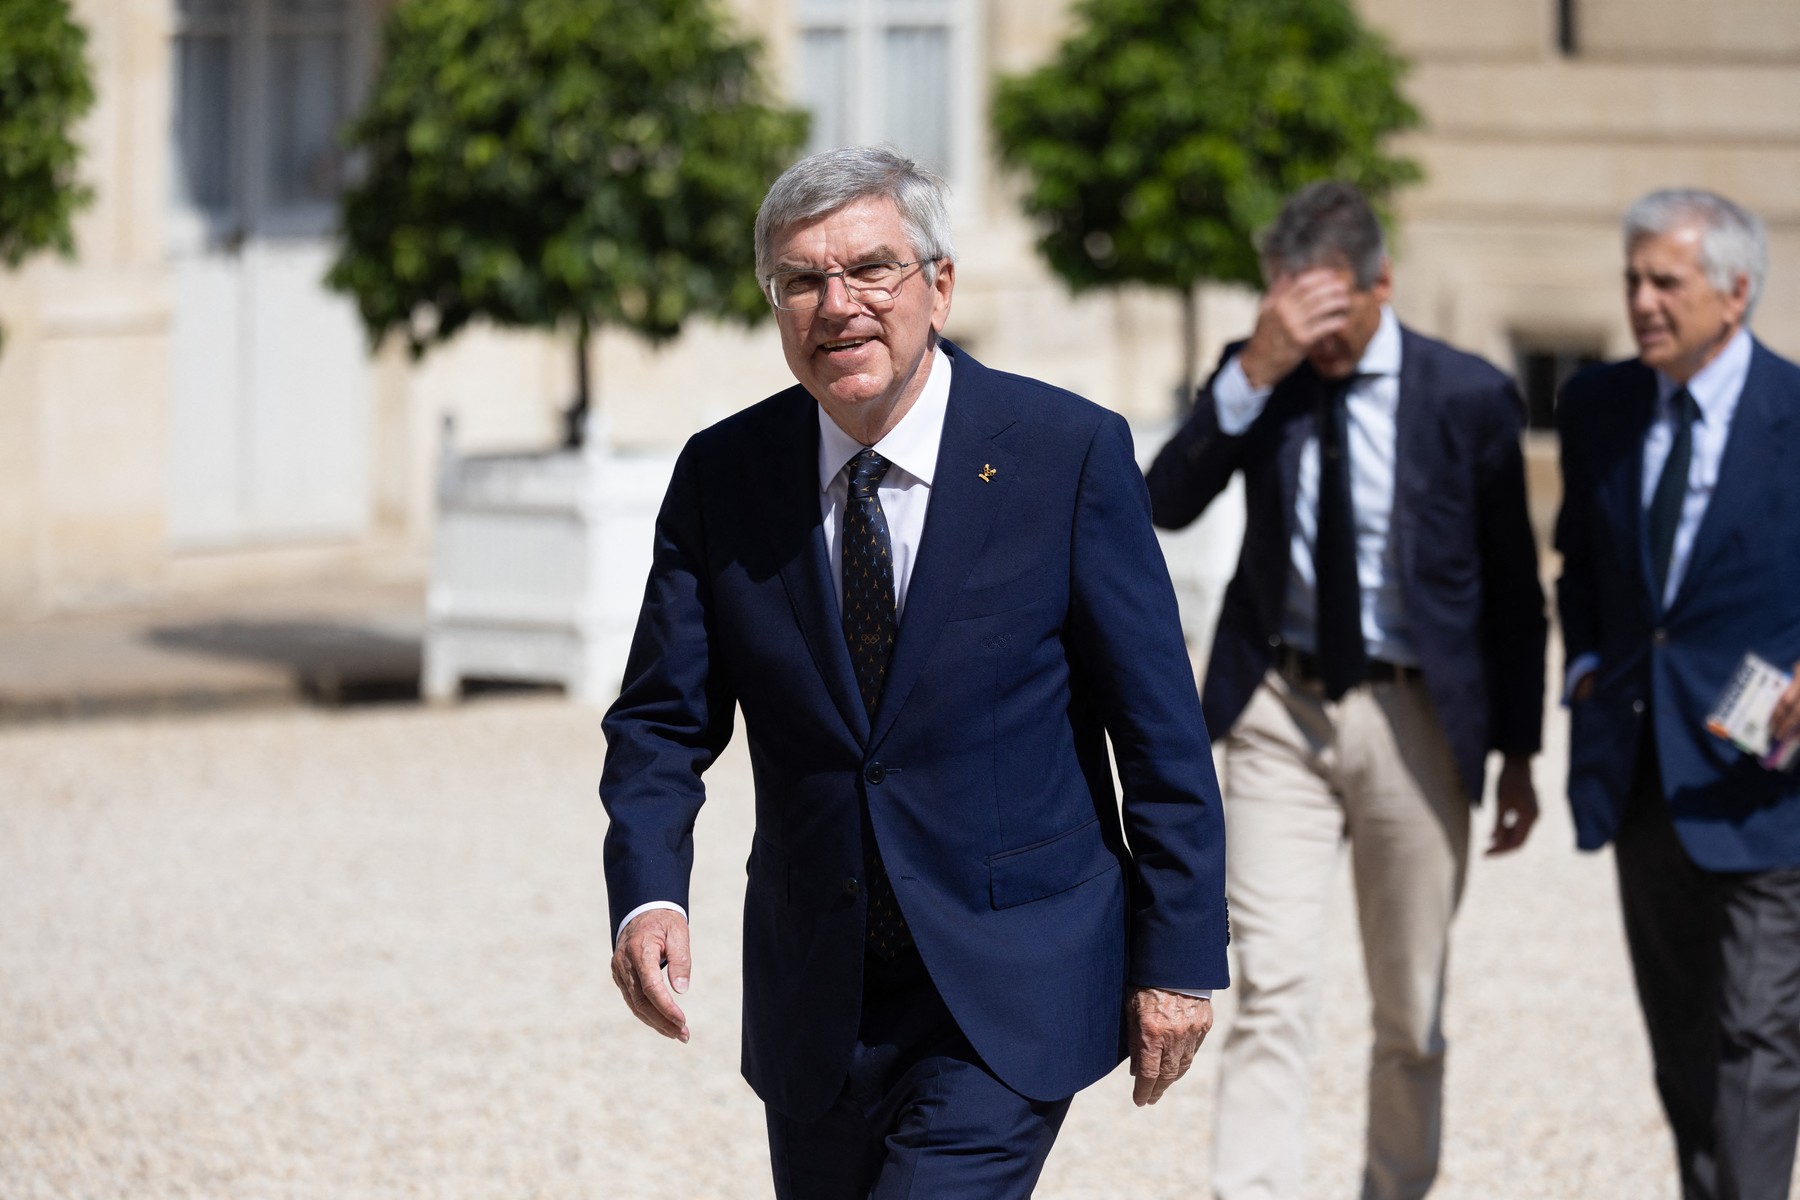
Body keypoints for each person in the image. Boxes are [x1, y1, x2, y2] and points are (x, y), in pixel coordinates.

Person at [600, 146, 1229, 1200]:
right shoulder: (725, 476)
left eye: (870, 270)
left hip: (1008, 981)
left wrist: (1177, 955)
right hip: (819, 995)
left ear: (939, 284)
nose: (837, 304)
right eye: (801, 280)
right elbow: (663, 721)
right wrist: (647, 895)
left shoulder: (1063, 455)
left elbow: (1157, 725)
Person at [1145, 180, 1547, 1200]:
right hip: (1281, 707)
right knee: (1271, 987)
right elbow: (1166, 498)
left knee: (1410, 1009)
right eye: (1295, 309)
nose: (1319, 335)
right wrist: (1259, 364)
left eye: (1335, 310)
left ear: (1383, 285)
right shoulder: (1263, 372)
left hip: (1416, 714)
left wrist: (1519, 754)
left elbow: (1514, 588)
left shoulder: (1468, 396)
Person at [1556, 188, 1800, 1200]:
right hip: (1640, 765)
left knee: (1759, 1032)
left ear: (1734, 293)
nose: (1643, 301)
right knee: (1682, 1036)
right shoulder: (1596, 405)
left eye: (1667, 281)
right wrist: (1583, 668)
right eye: (1633, 280)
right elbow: (1581, 564)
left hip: (1768, 780)